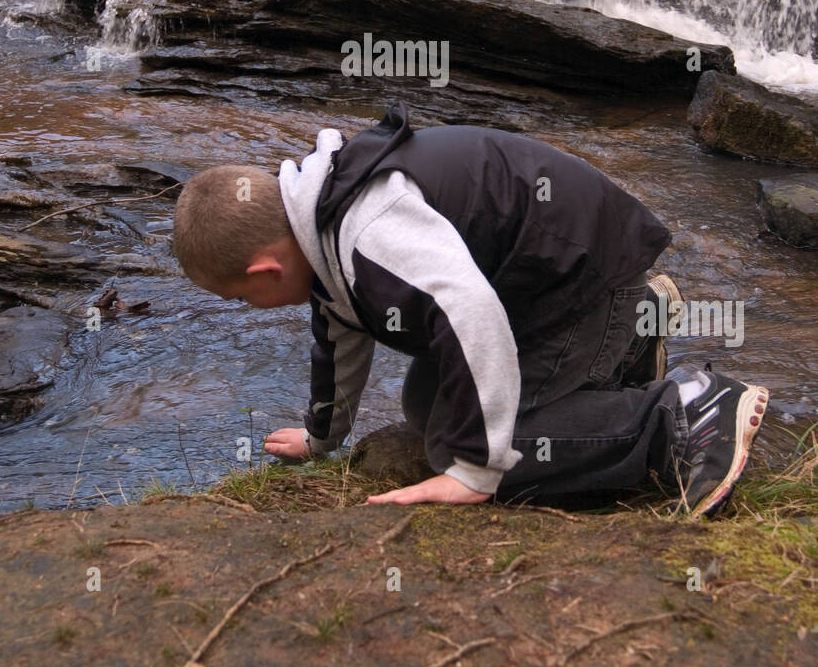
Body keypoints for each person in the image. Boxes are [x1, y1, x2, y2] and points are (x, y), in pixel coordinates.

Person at [172, 102, 768, 514]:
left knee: (476, 446)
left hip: (579, 279)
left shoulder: (369, 231)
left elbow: (469, 311)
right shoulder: (319, 220)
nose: (251, 306)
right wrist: (322, 436)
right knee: (426, 405)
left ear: (264, 270)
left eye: (242, 297)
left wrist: (476, 472)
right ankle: (634, 336)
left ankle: (685, 414)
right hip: (541, 287)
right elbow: (339, 334)